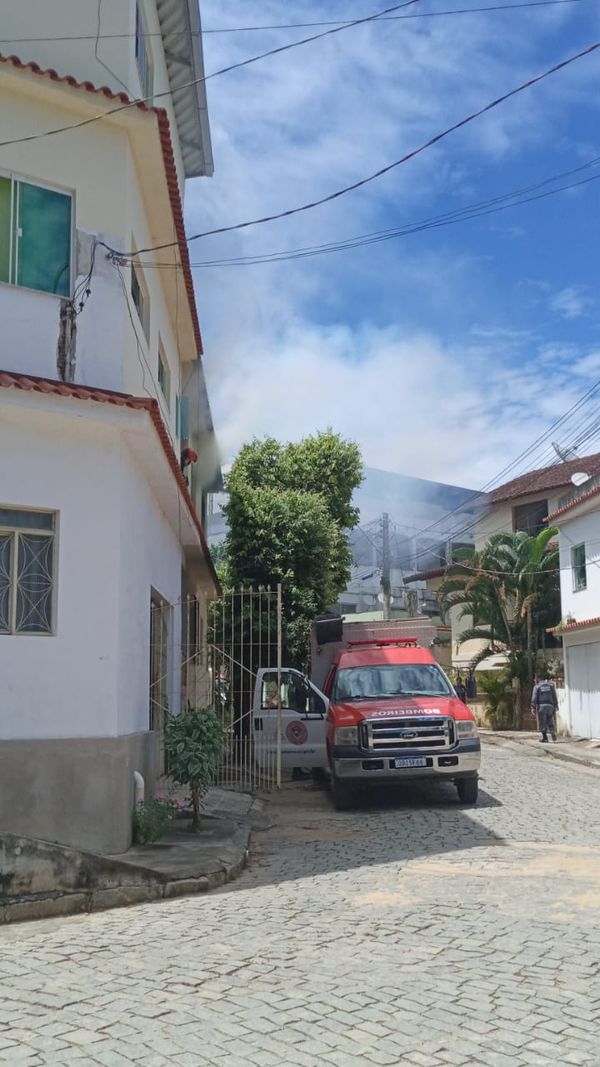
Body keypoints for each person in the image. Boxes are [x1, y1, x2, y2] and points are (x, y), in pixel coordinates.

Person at [531, 672, 558, 742]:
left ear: (538, 678)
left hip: (542, 706)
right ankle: (552, 730)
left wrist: (533, 707)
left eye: (535, 678)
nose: (534, 680)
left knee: (542, 722)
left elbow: (534, 697)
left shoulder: (537, 687)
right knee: (550, 719)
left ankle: (545, 737)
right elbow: (554, 696)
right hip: (550, 706)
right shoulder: (550, 685)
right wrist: (556, 705)